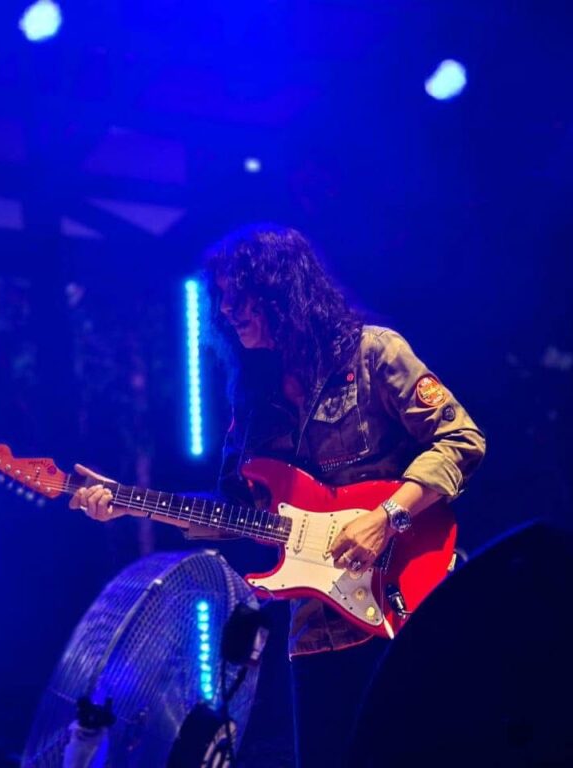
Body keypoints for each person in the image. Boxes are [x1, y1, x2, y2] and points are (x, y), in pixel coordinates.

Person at [71, 225, 486, 767]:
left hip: (407, 598)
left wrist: (387, 518)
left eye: (238, 294)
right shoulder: (253, 399)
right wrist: (128, 502)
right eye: (221, 297)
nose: (226, 310)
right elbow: (231, 512)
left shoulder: (373, 353)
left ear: (281, 290)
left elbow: (460, 439)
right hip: (315, 629)